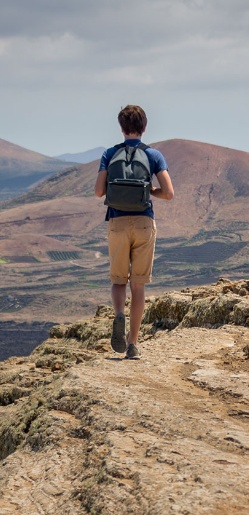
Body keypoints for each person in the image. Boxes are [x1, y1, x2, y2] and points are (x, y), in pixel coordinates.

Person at [94, 105, 174, 359]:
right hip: (143, 223)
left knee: (119, 280)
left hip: (117, 222)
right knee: (138, 286)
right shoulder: (154, 155)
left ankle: (119, 314)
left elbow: (98, 192)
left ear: (121, 128)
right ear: (144, 127)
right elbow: (169, 193)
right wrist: (148, 191)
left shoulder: (109, 153)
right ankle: (133, 344)